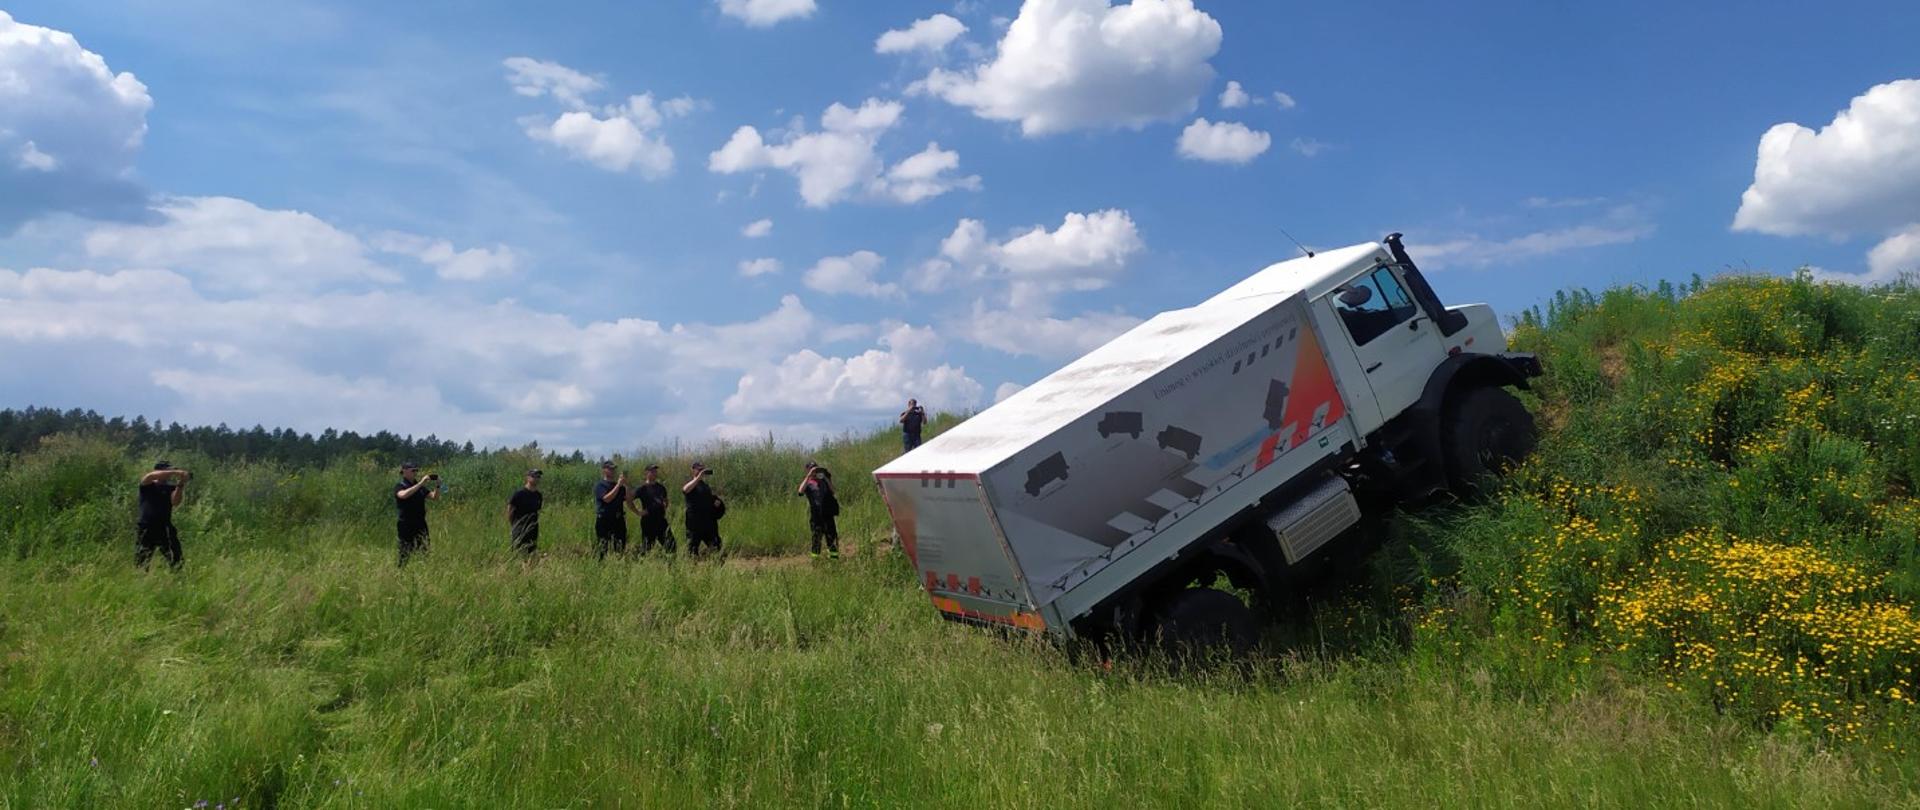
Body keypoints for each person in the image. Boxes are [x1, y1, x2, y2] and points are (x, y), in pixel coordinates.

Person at [135, 461, 190, 569]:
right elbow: (150, 476)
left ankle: (177, 580)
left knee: (176, 559)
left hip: (164, 527)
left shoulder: (170, 488)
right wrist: (176, 472)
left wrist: (180, 484)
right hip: (146, 527)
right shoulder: (147, 483)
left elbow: (175, 502)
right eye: (167, 470)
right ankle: (141, 581)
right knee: (142, 560)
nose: (170, 474)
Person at [394, 462, 438, 566]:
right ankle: (401, 573)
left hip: (420, 523)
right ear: (404, 471)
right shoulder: (400, 485)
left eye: (416, 470)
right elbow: (403, 495)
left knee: (424, 550)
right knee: (405, 552)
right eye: (413, 470)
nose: (415, 472)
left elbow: (434, 497)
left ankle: (423, 572)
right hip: (406, 524)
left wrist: (438, 485)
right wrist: (420, 483)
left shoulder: (420, 487)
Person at [795, 461, 841, 559]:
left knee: (831, 536)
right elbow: (800, 492)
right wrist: (809, 476)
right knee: (816, 537)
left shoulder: (824, 481)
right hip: (816, 515)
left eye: (816, 469)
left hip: (827, 514)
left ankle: (834, 559)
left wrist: (825, 478)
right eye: (813, 469)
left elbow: (833, 491)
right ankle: (815, 560)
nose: (815, 472)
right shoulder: (808, 483)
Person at [628, 463, 673, 554]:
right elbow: (629, 500)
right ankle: (644, 563)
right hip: (648, 521)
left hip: (661, 520)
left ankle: (669, 565)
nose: (654, 473)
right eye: (652, 471)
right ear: (646, 473)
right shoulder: (642, 488)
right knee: (647, 548)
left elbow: (665, 499)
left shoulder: (661, 487)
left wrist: (665, 505)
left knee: (671, 545)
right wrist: (638, 512)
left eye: (655, 471)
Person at [682, 461, 723, 558]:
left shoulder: (705, 486)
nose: (702, 472)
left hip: (708, 522)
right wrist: (697, 478)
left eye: (703, 470)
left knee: (716, 545)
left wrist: (716, 503)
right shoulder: (691, 484)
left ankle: (715, 566)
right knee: (692, 548)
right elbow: (685, 490)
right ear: (693, 470)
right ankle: (692, 569)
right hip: (694, 523)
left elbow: (708, 501)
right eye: (699, 469)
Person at [593, 461, 630, 560]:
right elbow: (607, 499)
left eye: (613, 469)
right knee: (603, 547)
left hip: (618, 520)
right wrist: (618, 485)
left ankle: (618, 565)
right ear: (604, 470)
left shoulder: (620, 487)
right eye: (610, 469)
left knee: (620, 546)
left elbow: (629, 498)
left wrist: (625, 485)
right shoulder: (600, 485)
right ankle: (601, 567)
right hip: (604, 520)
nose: (612, 471)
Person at [507, 469, 543, 556]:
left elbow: (537, 510)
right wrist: (514, 525)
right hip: (519, 528)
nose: (536, 478)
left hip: (533, 529)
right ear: (528, 477)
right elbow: (510, 509)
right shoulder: (519, 494)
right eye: (534, 476)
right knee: (518, 553)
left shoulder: (538, 495)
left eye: (538, 476)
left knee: (531, 554)